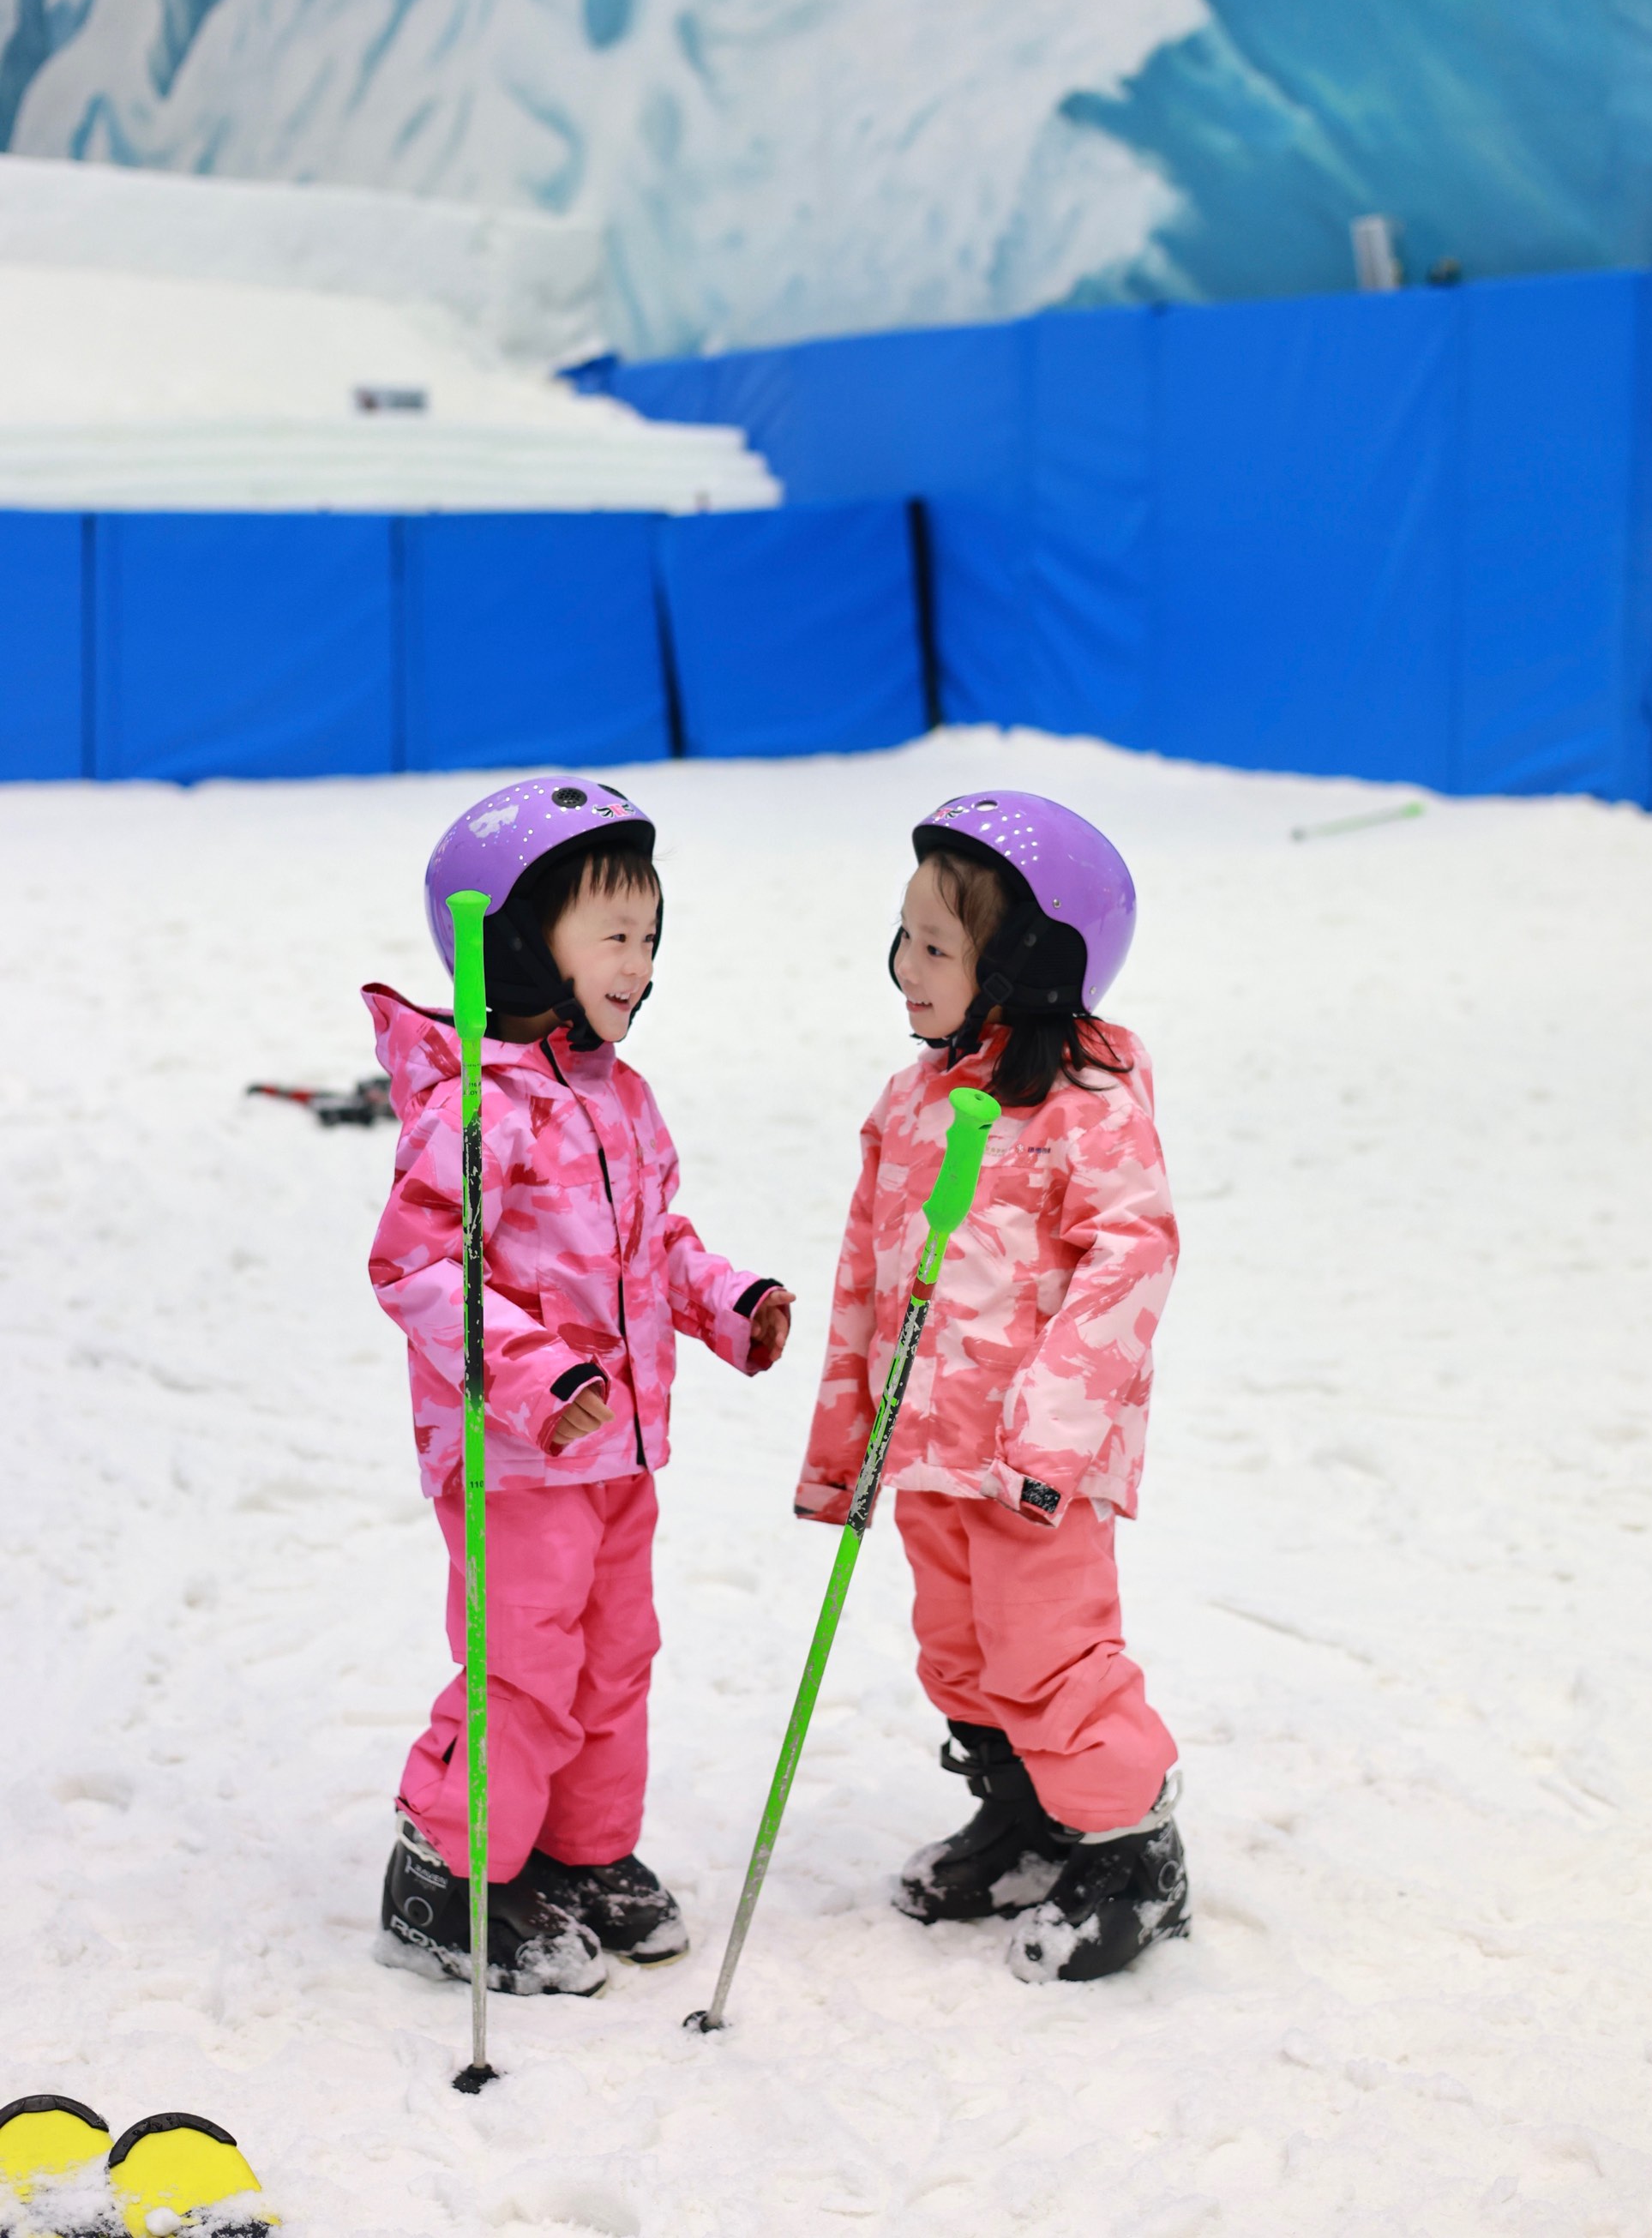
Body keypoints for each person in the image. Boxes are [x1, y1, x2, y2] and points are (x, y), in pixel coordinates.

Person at [368, 778, 793, 1996]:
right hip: (517, 1456)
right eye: (612, 932)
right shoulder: (474, 1107)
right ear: (515, 938)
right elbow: (415, 1265)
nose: (640, 960)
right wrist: (538, 1375)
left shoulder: (620, 1100)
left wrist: (727, 1301)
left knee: (616, 1660)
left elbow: (656, 1243)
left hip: (620, 1456)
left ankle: (582, 1850)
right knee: (523, 1666)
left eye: (651, 935)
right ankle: (446, 1871)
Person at [795, 791, 1186, 1983]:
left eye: (938, 947)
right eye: (905, 934)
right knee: (959, 1650)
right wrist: (846, 1446)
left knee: (1050, 1654)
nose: (904, 966)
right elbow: (865, 1275)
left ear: (1024, 964)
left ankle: (1130, 1852)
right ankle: (1024, 1818)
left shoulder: (1090, 1108)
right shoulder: (911, 1102)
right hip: (926, 1447)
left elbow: (1134, 1260)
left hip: (1032, 1467)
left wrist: (1054, 1439)